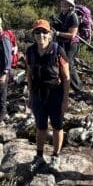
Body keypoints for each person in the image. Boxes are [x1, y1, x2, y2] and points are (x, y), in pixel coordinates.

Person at [24, 19, 70, 171]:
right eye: (37, 32)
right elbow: (29, 74)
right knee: (40, 126)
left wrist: (65, 100)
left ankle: (55, 157)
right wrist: (30, 96)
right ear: (33, 35)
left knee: (57, 126)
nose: (41, 35)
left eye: (44, 32)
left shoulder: (58, 51)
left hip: (55, 94)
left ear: (50, 34)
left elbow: (66, 77)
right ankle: (39, 156)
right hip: (38, 94)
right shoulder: (30, 51)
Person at [52, 0, 83, 93]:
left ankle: (78, 88)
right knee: (61, 63)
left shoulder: (73, 17)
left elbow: (72, 35)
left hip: (72, 44)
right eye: (62, 2)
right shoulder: (62, 15)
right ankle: (65, 86)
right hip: (63, 43)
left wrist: (57, 33)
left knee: (69, 64)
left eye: (65, 3)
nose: (63, 4)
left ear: (70, 5)